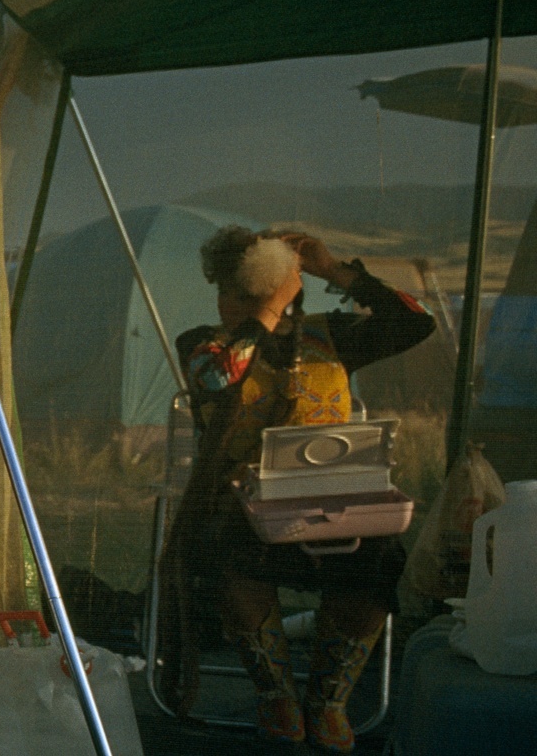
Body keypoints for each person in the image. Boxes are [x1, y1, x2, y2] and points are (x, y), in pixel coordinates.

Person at [158, 227, 433, 751]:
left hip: (330, 508)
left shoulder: (331, 337)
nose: (228, 302)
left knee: (379, 557)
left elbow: (418, 323)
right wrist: (266, 312)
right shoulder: (204, 344)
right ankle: (277, 692)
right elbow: (217, 378)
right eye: (227, 291)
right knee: (228, 551)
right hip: (243, 511)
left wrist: (335, 272)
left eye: (242, 292)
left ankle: (329, 698)